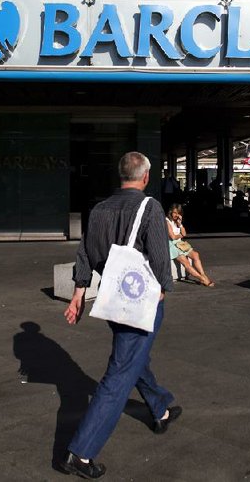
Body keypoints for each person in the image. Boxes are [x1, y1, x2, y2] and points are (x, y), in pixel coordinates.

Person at [61, 151, 181, 480]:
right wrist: (164, 289)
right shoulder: (150, 206)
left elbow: (84, 251)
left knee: (131, 356)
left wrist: (78, 293)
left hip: (113, 300)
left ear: (120, 176)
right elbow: (159, 256)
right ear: (145, 178)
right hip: (139, 301)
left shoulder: (99, 209)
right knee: (119, 374)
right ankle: (81, 453)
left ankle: (160, 408)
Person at [165, 203, 215, 287]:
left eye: (178, 213)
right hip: (171, 244)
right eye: (174, 212)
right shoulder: (167, 221)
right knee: (186, 262)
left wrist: (180, 224)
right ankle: (202, 279)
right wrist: (180, 235)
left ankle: (203, 275)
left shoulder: (177, 221)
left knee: (196, 255)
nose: (176, 215)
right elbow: (173, 237)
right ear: (170, 212)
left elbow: (184, 233)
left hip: (179, 243)